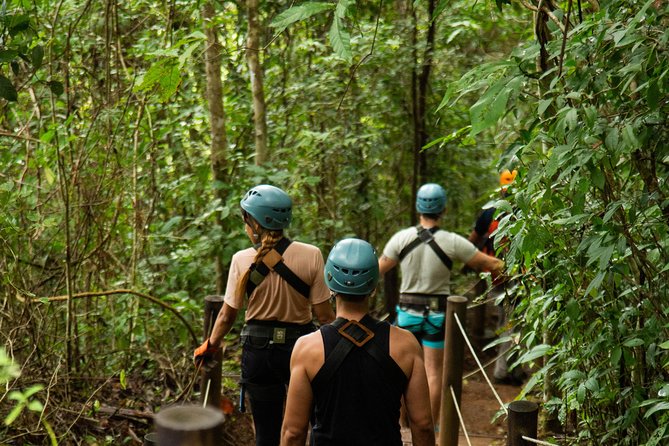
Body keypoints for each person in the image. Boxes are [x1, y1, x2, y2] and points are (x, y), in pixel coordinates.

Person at [193, 184, 335, 446]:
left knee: (266, 435)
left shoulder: (240, 259)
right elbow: (325, 317)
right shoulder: (311, 255)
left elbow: (226, 315)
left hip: (258, 353)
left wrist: (209, 346)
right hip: (300, 350)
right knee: (300, 428)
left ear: (256, 223)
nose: (245, 226)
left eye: (246, 219)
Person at [280, 238, 435, 446]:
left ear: (329, 282)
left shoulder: (307, 348)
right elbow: (423, 424)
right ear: (373, 287)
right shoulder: (405, 344)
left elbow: (293, 432)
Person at [378, 183, 504, 424]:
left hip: (406, 314)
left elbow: (378, 270)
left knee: (403, 369)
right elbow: (490, 263)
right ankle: (429, 427)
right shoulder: (452, 242)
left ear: (418, 209)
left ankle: (404, 425)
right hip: (437, 315)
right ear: (443, 210)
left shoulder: (401, 238)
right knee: (433, 373)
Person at [468, 169, 525, 385]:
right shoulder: (524, 210)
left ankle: (512, 368)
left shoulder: (488, 212)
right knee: (512, 322)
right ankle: (504, 371)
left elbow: (471, 241)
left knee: (507, 319)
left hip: (494, 274)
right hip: (517, 274)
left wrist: (472, 263)